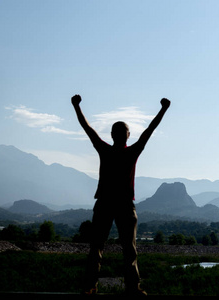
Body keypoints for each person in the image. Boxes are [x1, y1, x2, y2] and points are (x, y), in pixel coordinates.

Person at [71, 94, 170, 296]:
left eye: (120, 130)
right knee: (128, 250)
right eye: (121, 130)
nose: (120, 133)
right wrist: (163, 109)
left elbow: (88, 129)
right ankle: (131, 288)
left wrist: (76, 106)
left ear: (115, 135)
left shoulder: (106, 150)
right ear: (127, 134)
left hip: (106, 203)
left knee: (98, 247)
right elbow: (149, 130)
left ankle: (91, 286)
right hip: (122, 205)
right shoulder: (131, 151)